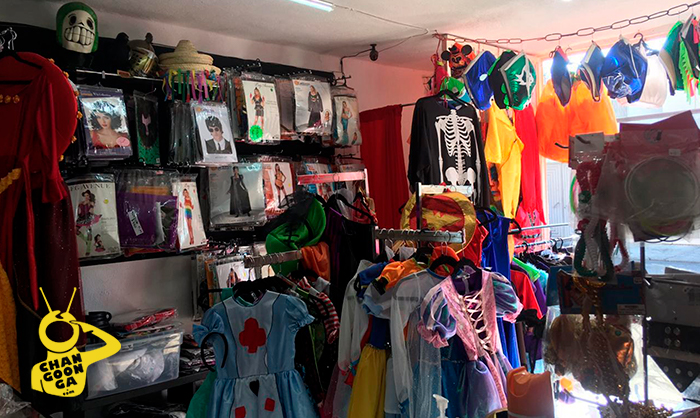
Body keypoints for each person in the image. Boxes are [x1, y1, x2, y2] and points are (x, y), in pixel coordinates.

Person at [75, 190, 101, 257]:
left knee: (89, 232)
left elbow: (91, 212)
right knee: (75, 230)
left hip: (88, 218)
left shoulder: (91, 203)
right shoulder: (81, 203)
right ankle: (86, 240)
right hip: (81, 218)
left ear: (89, 196)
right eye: (85, 195)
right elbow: (79, 212)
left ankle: (88, 249)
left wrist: (93, 212)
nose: (86, 197)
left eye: (87, 195)